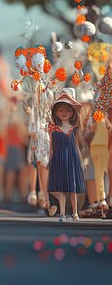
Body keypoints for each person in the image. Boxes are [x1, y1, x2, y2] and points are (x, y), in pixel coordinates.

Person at [48, 88, 86, 222]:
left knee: (72, 188)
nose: (64, 113)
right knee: (61, 188)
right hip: (58, 159)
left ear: (72, 113)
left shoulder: (74, 128)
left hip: (72, 159)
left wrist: (81, 162)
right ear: (56, 112)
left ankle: (75, 212)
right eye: (60, 110)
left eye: (67, 110)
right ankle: (62, 213)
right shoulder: (53, 129)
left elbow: (76, 146)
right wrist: (49, 160)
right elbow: (51, 147)